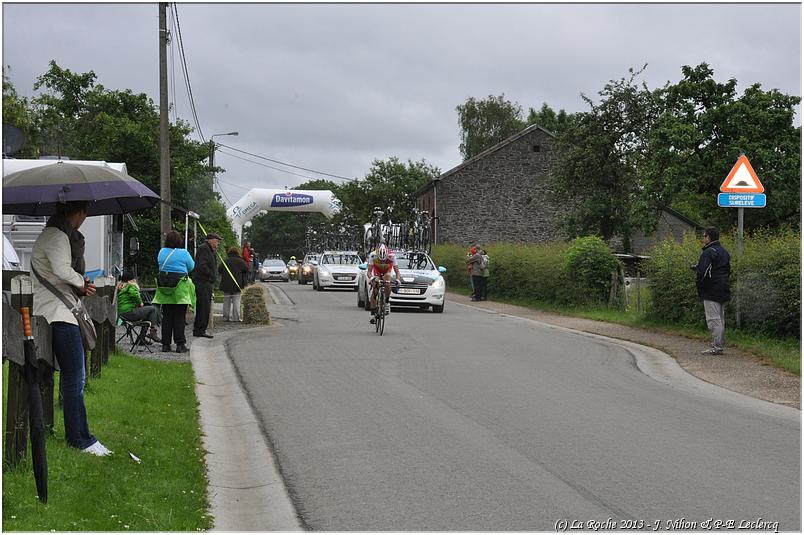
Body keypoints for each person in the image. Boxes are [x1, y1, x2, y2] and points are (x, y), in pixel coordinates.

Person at [31, 200, 111, 456]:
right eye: (84, 213)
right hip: (59, 315)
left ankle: (78, 435)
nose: (84, 219)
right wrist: (82, 282)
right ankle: (80, 439)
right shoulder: (57, 236)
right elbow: (62, 270)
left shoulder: (52, 233)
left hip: (55, 313)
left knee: (72, 378)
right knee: (75, 378)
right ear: (76, 212)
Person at [153, 230, 196, 353]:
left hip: (164, 287)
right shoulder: (184, 253)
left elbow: (159, 264)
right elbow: (191, 266)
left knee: (167, 316)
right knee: (179, 317)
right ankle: (180, 344)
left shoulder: (161, 252)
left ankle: (165, 345)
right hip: (179, 289)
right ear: (179, 240)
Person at [691, 226, 731, 355]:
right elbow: (721, 269)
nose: (703, 238)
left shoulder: (708, 252)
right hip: (723, 288)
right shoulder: (724, 252)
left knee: (713, 319)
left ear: (708, 237)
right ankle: (719, 344)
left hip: (711, 290)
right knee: (720, 318)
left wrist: (700, 285)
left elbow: (703, 272)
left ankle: (716, 347)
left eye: (704, 236)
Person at [117, 271, 161, 342]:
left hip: (122, 314)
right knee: (152, 309)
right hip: (130, 312)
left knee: (148, 315)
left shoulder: (120, 287)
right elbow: (134, 294)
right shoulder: (130, 286)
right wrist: (140, 303)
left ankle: (141, 339)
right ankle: (153, 332)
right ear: (131, 280)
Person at [192, 232, 220, 339]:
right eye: (217, 241)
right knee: (203, 307)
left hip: (206, 281)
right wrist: (211, 274)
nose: (218, 243)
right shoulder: (204, 249)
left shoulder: (210, 250)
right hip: (202, 281)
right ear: (211, 240)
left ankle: (200, 329)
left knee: (205, 306)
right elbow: (202, 265)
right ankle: (199, 329)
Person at [367, 243, 401, 324]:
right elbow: (369, 271)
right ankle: (374, 312)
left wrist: (398, 279)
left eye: (384, 260)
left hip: (387, 271)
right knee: (375, 285)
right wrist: (371, 278)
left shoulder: (392, 256)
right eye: (380, 260)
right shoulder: (372, 255)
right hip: (377, 271)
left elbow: (397, 272)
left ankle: (387, 301)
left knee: (387, 281)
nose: (382, 261)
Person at [219, 246, 249, 322]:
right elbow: (246, 270)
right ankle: (236, 318)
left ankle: (225, 317)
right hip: (237, 284)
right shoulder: (241, 261)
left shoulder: (225, 261)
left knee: (226, 301)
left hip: (226, 285)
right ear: (237, 253)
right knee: (236, 301)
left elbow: (219, 270)